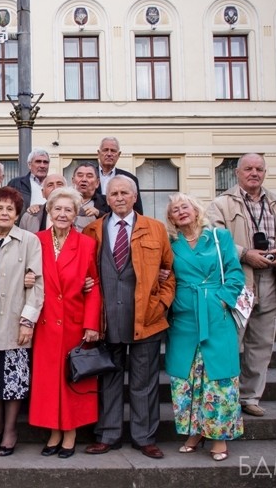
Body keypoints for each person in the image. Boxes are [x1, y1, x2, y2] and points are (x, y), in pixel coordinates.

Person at [82, 175, 175, 459]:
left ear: (135, 197)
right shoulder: (92, 230)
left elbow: (169, 273)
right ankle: (107, 435)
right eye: (114, 194)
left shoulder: (156, 229)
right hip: (106, 319)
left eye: (125, 193)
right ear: (106, 199)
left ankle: (144, 437)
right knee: (108, 380)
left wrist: (160, 304)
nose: (119, 197)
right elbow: (86, 272)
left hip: (146, 318)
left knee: (144, 382)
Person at [207, 153, 276, 418]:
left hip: (272, 280)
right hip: (239, 280)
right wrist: (244, 254)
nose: (254, 173)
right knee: (231, 340)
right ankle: (225, 394)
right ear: (237, 173)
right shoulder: (221, 204)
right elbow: (213, 238)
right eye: (248, 168)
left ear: (264, 173)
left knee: (261, 343)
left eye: (259, 169)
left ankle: (250, 396)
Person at [164, 193, 245, 462]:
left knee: (218, 378)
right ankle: (194, 432)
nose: (180, 212)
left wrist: (223, 299)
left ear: (196, 209)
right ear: (171, 218)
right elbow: (166, 273)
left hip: (216, 315)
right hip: (184, 317)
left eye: (184, 206)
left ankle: (219, 436)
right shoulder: (172, 244)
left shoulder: (219, 237)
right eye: (175, 210)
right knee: (187, 378)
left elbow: (235, 272)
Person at [28, 187, 101, 458]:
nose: (62, 214)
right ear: (49, 211)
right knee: (48, 381)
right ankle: (53, 431)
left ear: (76, 214)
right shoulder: (36, 240)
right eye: (57, 209)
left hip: (73, 322)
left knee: (72, 381)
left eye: (68, 209)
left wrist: (91, 324)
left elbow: (93, 287)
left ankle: (70, 433)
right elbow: (29, 274)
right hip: (44, 323)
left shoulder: (86, 244)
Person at [0, 186, 43, 457]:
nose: (4, 213)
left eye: (9, 209)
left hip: (14, 317)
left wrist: (28, 321)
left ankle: (10, 430)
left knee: (13, 377)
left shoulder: (28, 240)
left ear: (17, 214)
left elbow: (37, 283)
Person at [95, 137, 144, 215]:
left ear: (118, 155)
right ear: (98, 153)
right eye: (105, 150)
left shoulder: (130, 179)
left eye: (113, 151)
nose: (109, 154)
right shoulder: (89, 177)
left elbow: (138, 211)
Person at [7, 149, 51, 218]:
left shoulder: (55, 184)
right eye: (38, 162)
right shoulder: (16, 184)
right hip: (24, 225)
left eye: (45, 162)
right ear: (30, 165)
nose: (42, 166)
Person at [72, 161, 108, 231]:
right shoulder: (65, 200)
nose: (84, 179)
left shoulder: (107, 201)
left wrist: (98, 213)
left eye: (89, 176)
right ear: (73, 181)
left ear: (97, 183)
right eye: (80, 175)